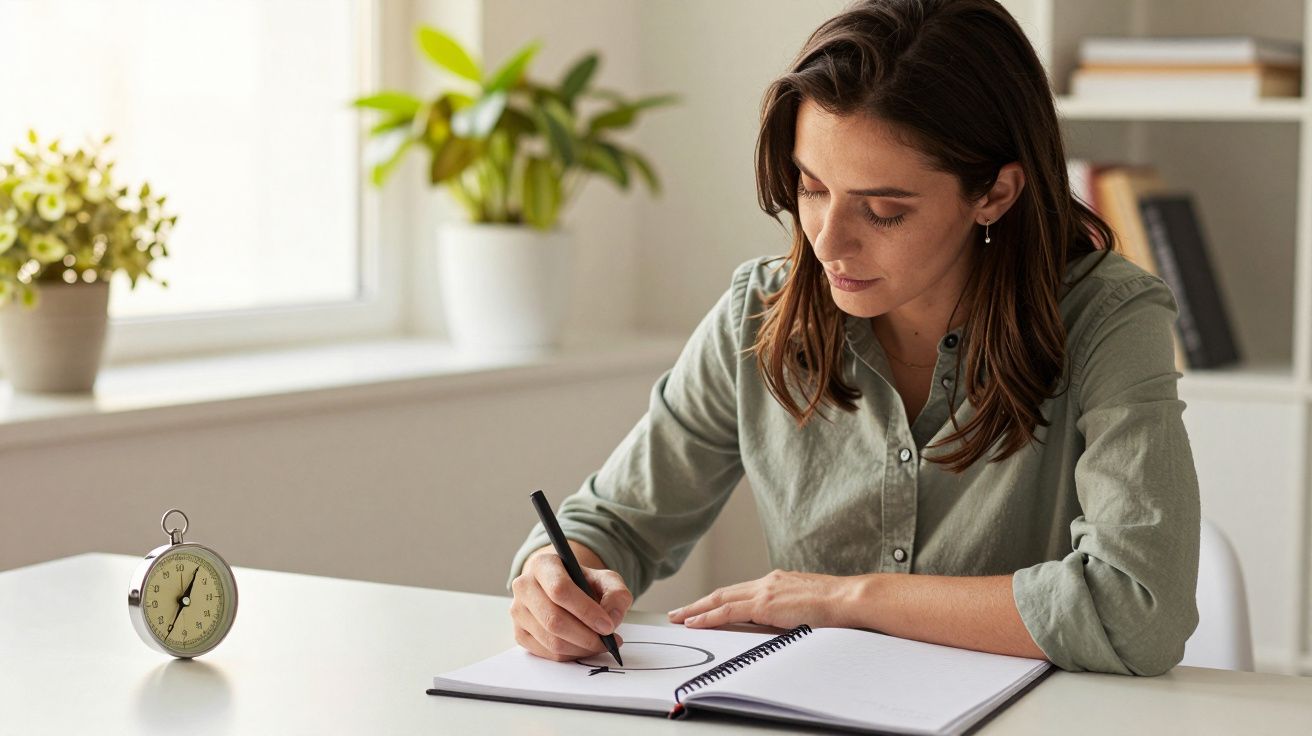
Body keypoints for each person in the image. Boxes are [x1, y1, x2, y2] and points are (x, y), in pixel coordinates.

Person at [507, 0, 1200, 677]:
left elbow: (1137, 611)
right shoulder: (759, 314)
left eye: (883, 210)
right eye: (811, 188)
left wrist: (847, 599)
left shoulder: (1108, 318)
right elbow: (614, 524)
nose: (827, 241)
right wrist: (554, 578)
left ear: (994, 193)